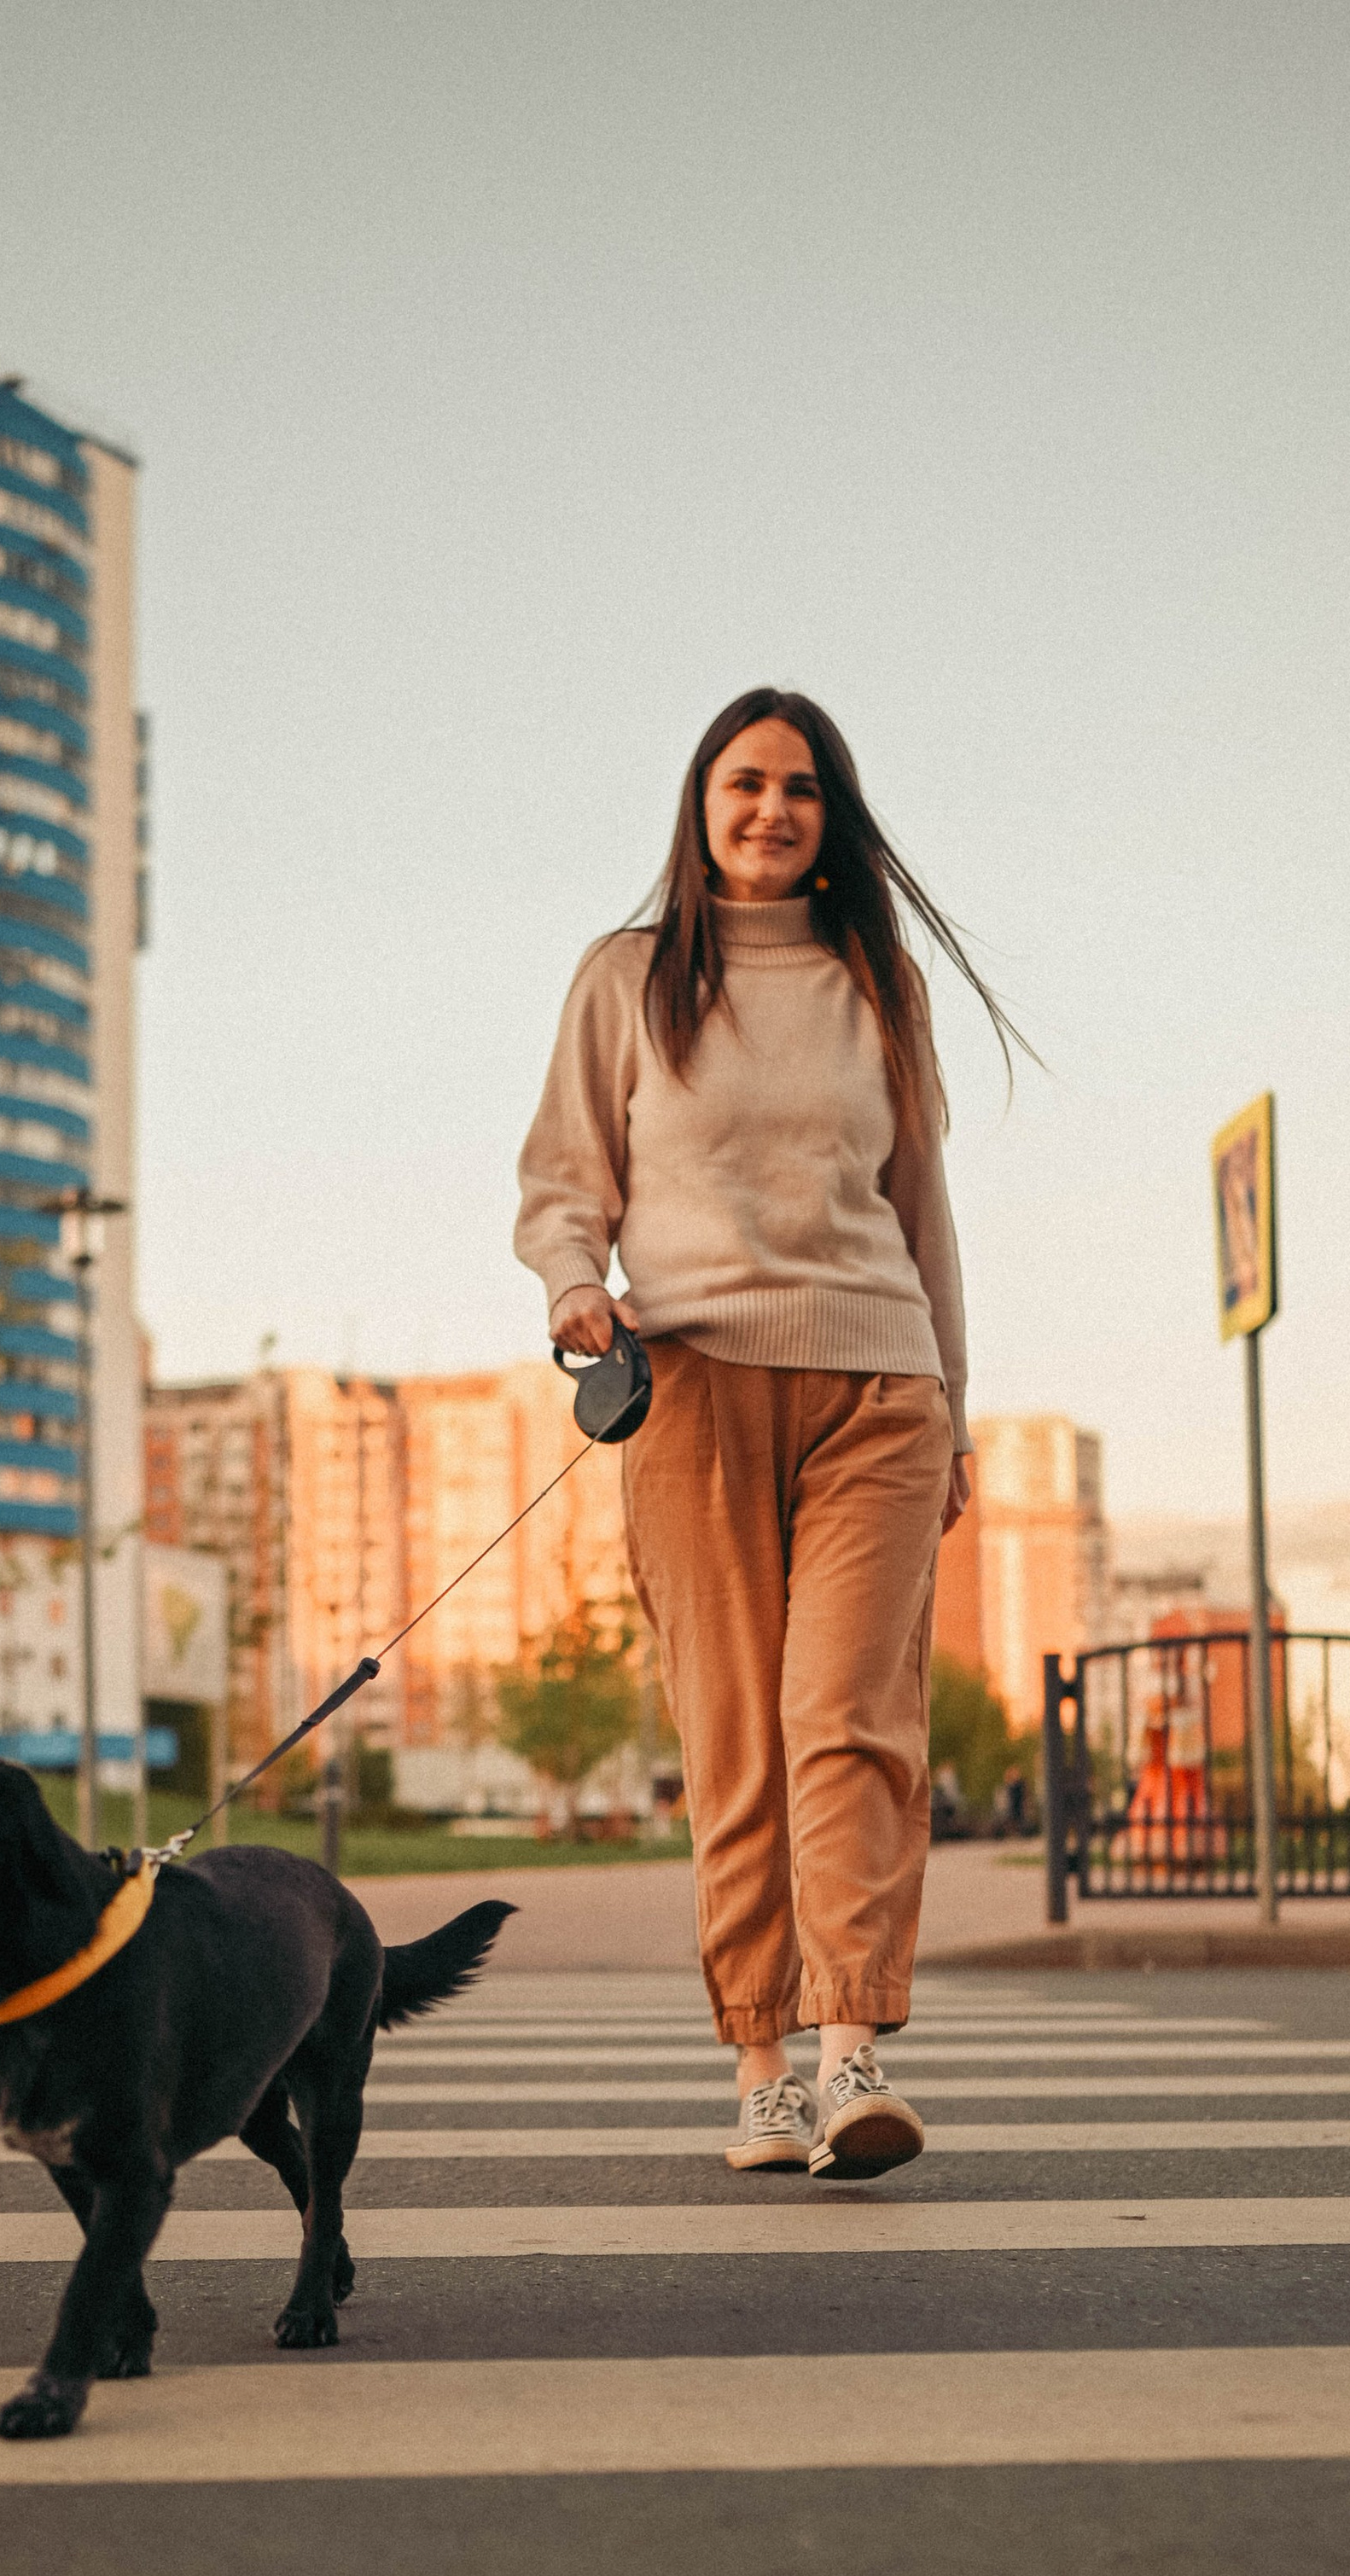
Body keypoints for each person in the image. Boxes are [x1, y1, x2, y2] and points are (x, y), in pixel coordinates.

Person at [514, 686, 1027, 2177]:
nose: (771, 810)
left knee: (848, 1722)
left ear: (832, 818)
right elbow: (565, 1174)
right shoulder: (626, 979)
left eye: (801, 789)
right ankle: (763, 2069)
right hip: (694, 1393)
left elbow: (925, 1211)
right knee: (735, 1739)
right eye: (745, 783)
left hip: (881, 1389)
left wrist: (959, 1409)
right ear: (701, 803)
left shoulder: (880, 982)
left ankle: (854, 2051)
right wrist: (572, 1289)